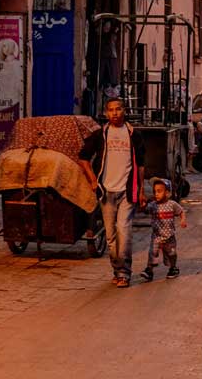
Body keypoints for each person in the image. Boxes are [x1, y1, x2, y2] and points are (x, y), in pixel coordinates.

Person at [78, 98, 147, 288]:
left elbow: (140, 165)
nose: (115, 113)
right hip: (105, 192)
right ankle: (117, 270)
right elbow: (83, 158)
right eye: (111, 110)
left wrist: (141, 190)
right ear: (106, 113)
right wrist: (93, 180)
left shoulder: (134, 135)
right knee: (111, 236)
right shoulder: (100, 135)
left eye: (118, 109)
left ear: (124, 110)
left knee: (124, 230)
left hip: (127, 190)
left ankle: (124, 273)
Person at [139, 178, 187, 282]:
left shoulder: (172, 204)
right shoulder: (153, 205)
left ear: (168, 193)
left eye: (159, 191)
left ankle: (173, 268)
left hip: (170, 237)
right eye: (155, 191)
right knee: (153, 252)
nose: (156, 194)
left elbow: (181, 211)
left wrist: (183, 220)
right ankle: (149, 271)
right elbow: (145, 209)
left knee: (171, 254)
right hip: (156, 236)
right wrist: (143, 206)